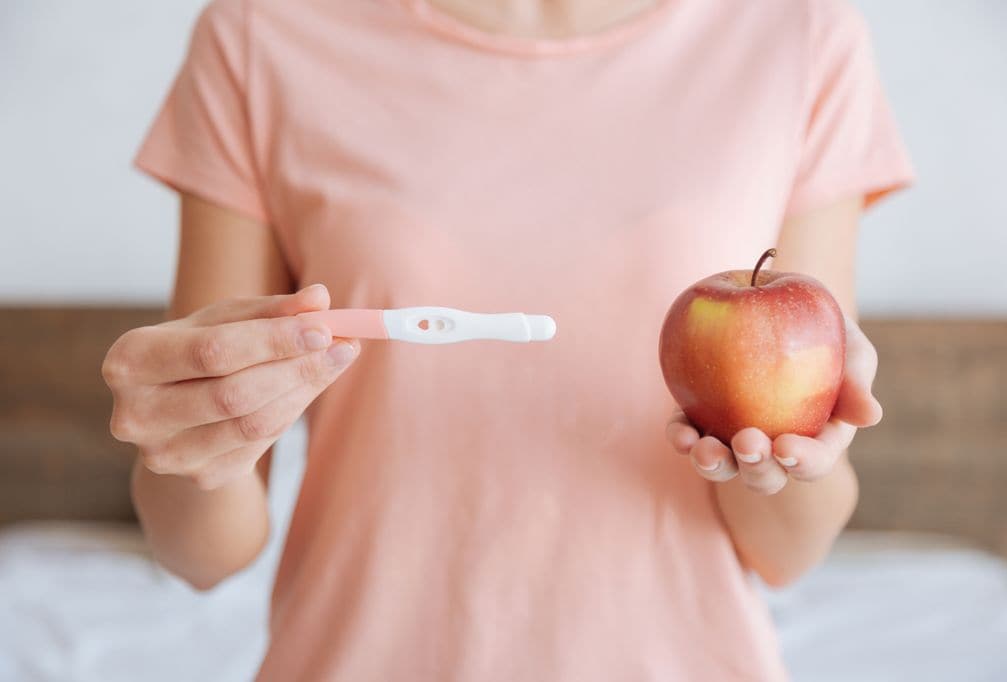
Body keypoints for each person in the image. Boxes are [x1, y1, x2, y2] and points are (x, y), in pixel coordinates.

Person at [102, 0, 913, 678]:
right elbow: (200, 556)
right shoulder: (262, 33)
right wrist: (196, 435)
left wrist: (781, 461)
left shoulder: (795, 33)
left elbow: (789, 551)